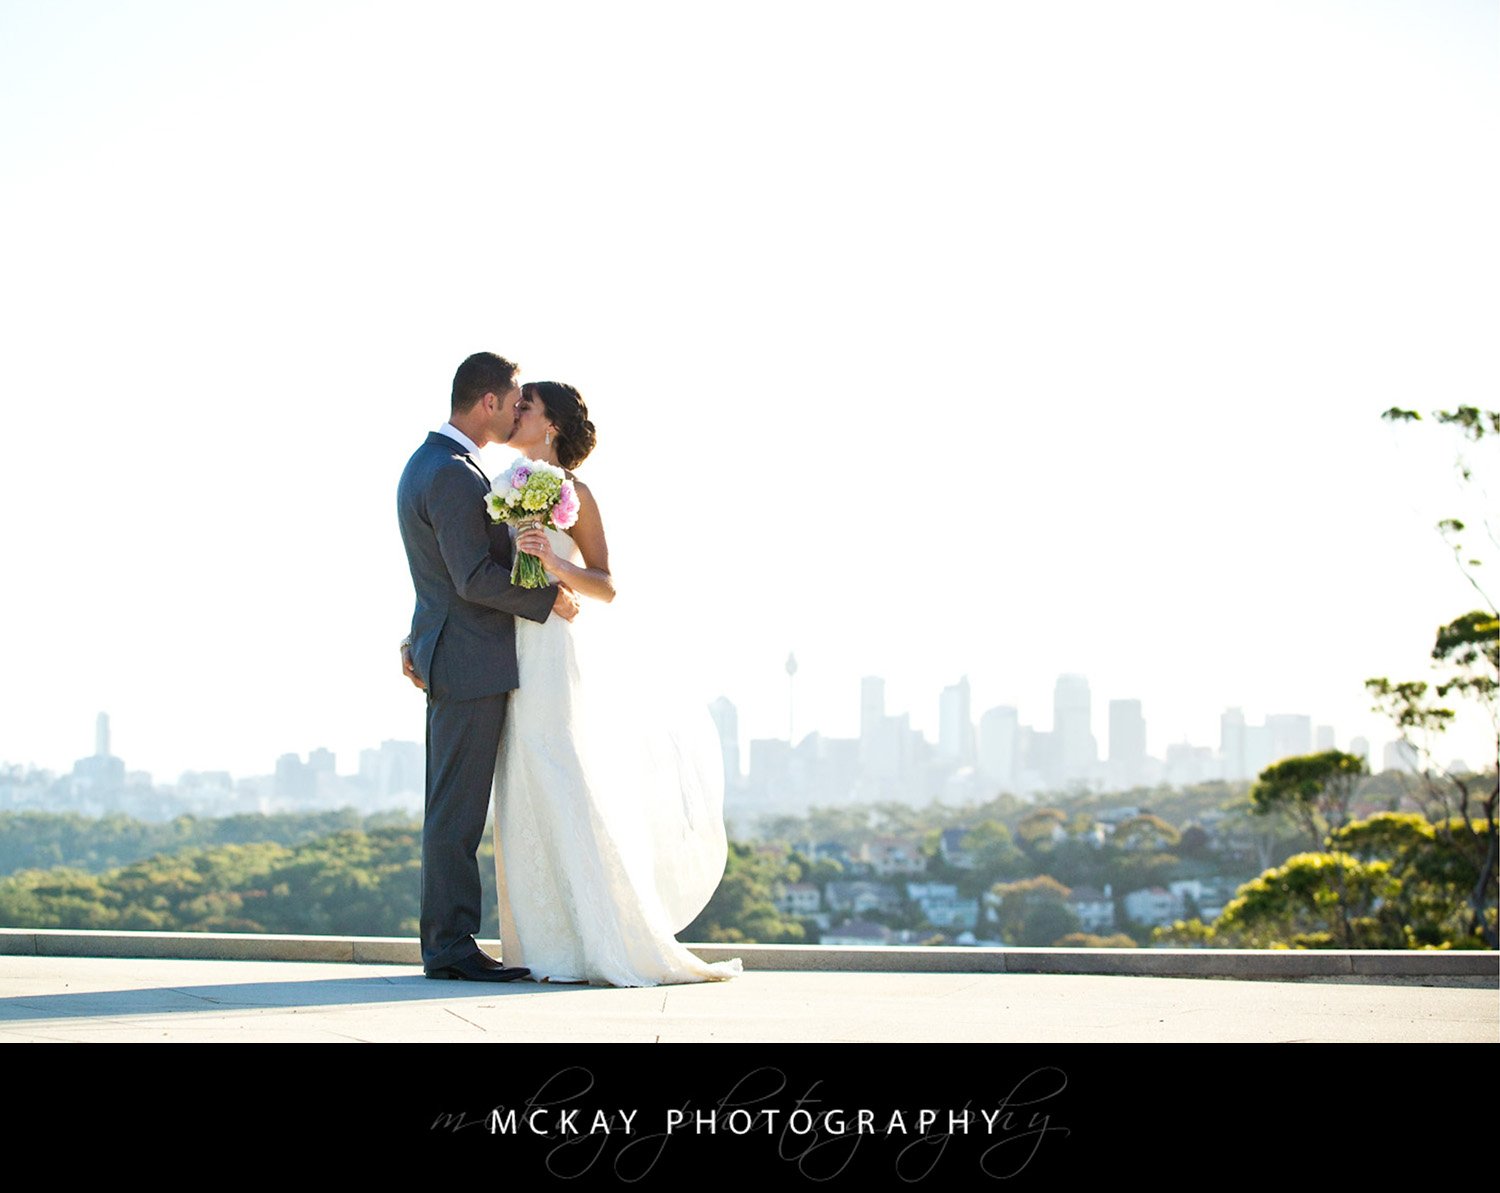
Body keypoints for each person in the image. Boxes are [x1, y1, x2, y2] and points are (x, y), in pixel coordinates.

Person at [495, 380, 741, 986]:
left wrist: (554, 565)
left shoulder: (576, 493)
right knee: (520, 780)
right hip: (509, 648)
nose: (516, 410)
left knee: (561, 773)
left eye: (527, 406)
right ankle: (540, 944)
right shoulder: (499, 489)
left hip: (555, 650)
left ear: (550, 425)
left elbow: (604, 583)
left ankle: (603, 938)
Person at [396, 352, 581, 982]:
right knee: (456, 812)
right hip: (469, 662)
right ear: (489, 404)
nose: (516, 410)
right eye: (512, 399)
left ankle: (452, 944)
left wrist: (417, 637)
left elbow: (440, 575)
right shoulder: (450, 473)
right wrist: (547, 597)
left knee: (456, 808)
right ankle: (450, 949)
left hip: (459, 654)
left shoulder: (439, 465)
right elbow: (470, 577)